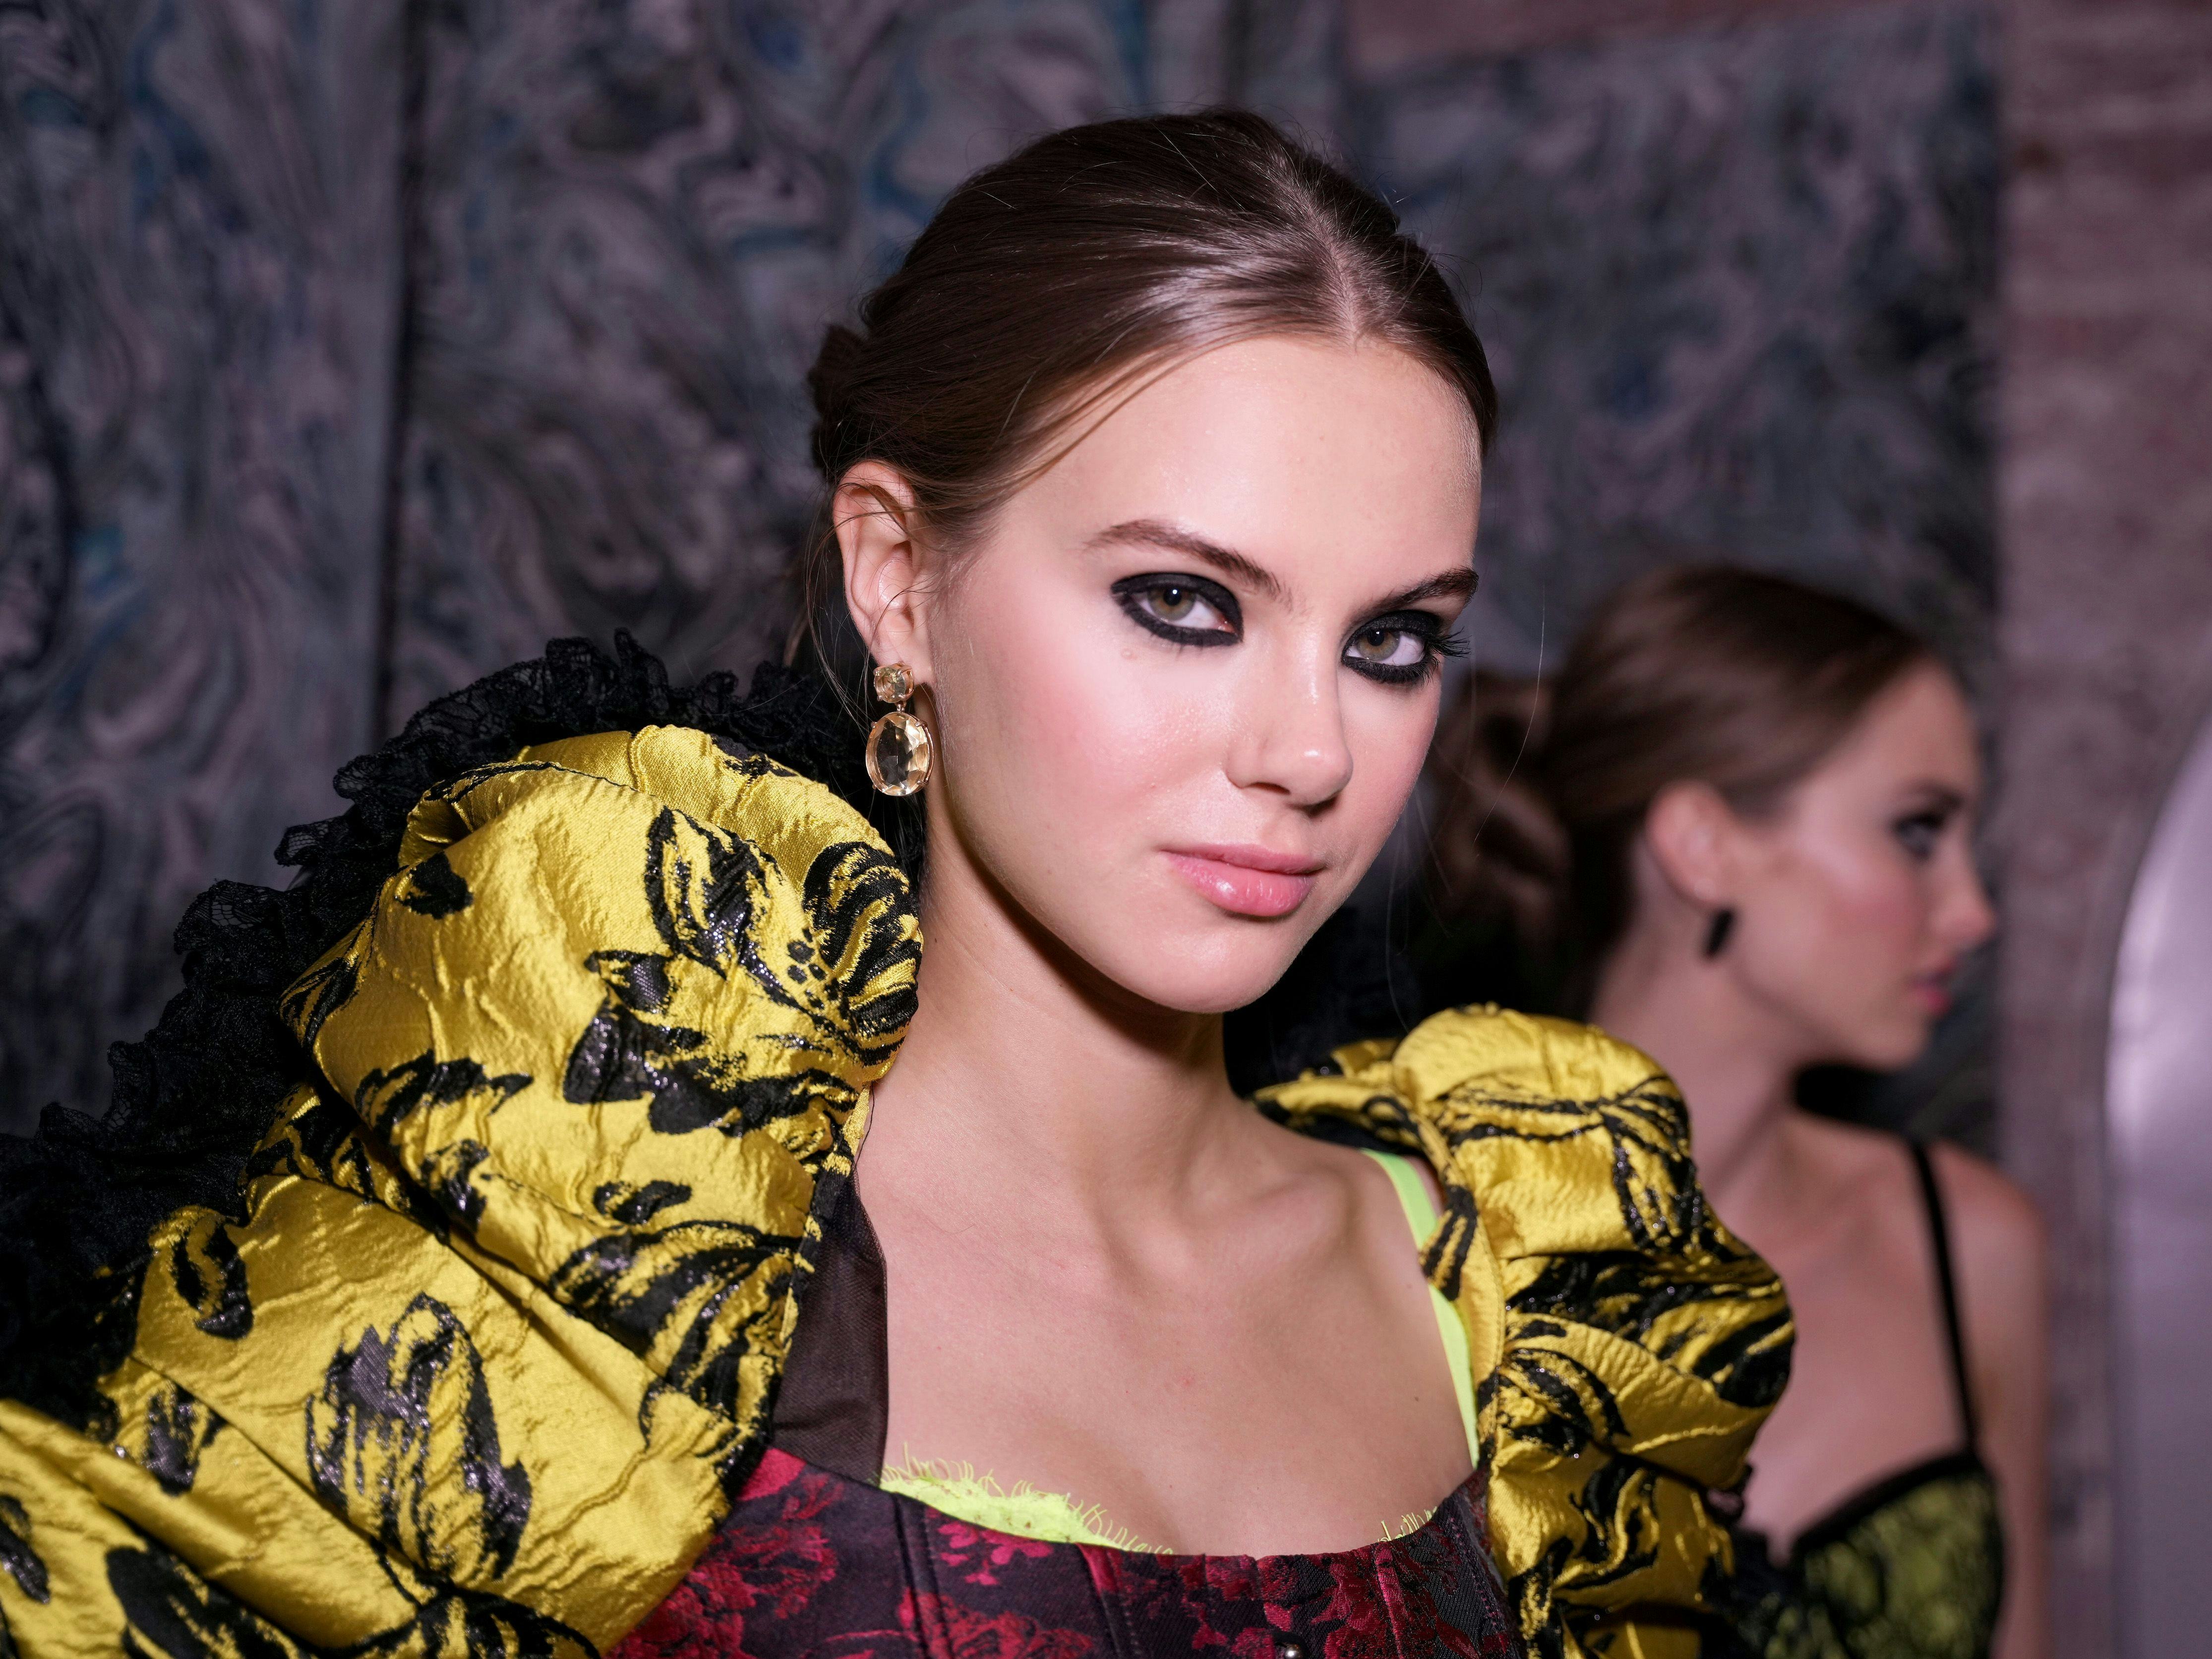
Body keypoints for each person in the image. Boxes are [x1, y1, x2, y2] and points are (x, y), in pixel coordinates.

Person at [0, 114, 1790, 1659]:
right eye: (1187, 601)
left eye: (1396, 640)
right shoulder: (592, 1221)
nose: (1312, 750)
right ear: (896, 580)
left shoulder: (1531, 1293)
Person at [1427, 566, 2049, 1659]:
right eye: (1916, 830)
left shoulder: (1966, 1241)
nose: (1972, 909)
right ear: (1702, 845)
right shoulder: (1412, 1239)